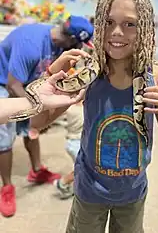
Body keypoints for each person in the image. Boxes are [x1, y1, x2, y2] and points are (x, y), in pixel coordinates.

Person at [31, 0, 158, 233]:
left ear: (145, 28)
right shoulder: (86, 73)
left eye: (129, 24)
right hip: (90, 188)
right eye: (109, 22)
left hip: (133, 190)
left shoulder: (154, 75)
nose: (117, 32)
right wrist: (50, 78)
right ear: (99, 25)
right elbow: (37, 123)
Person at [0, 16, 93, 218]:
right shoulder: (30, 44)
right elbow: (12, 85)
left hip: (28, 82)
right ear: (72, 39)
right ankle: (7, 187)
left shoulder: (60, 44)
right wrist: (39, 108)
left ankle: (36, 170)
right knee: (5, 137)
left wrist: (42, 115)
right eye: (81, 44)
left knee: (31, 130)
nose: (82, 49)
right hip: (5, 82)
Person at [0, 71, 85, 125]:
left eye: (17, 117)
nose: (15, 118)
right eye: (17, 118)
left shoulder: (37, 105)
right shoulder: (37, 107)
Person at [53, 101, 84, 199]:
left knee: (84, 168)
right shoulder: (80, 108)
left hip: (73, 142)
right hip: (76, 143)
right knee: (85, 169)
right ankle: (62, 183)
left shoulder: (70, 107)